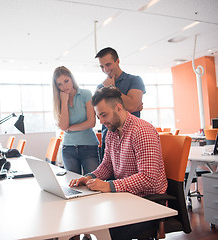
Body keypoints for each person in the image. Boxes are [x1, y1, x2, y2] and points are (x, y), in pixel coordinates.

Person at [69, 86, 167, 240]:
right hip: (125, 198)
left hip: (148, 202)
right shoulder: (111, 133)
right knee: (82, 215)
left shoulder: (141, 131)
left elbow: (148, 178)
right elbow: (107, 166)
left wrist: (110, 186)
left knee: (102, 226)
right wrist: (89, 177)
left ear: (119, 108)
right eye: (98, 116)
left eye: (103, 115)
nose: (101, 121)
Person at [96, 47, 146, 160]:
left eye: (108, 64)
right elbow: (100, 113)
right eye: (102, 66)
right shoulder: (100, 87)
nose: (105, 69)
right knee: (107, 175)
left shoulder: (135, 80)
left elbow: (132, 106)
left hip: (131, 138)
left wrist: (111, 88)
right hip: (108, 139)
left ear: (117, 61)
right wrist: (130, 105)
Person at [52, 66, 100, 175]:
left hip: (89, 146)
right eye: (60, 84)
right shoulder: (59, 101)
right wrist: (64, 102)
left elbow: (91, 122)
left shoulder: (86, 94)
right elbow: (64, 127)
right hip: (68, 149)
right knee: (74, 187)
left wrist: (71, 128)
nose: (64, 86)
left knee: (93, 183)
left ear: (71, 78)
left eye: (66, 81)